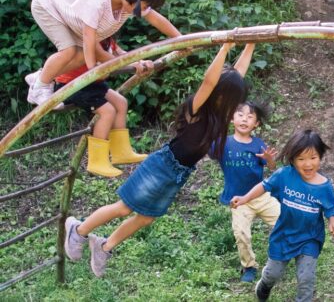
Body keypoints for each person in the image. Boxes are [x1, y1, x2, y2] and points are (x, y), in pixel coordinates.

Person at [64, 43, 254, 277]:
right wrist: (225, 46)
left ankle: (104, 247)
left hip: (179, 173)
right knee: (124, 208)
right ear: (221, 94)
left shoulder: (222, 115)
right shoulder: (197, 109)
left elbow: (238, 74)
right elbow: (209, 82)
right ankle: (78, 230)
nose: (235, 104)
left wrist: (251, 43)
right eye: (232, 97)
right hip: (163, 165)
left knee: (146, 217)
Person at [27, 0, 181, 106]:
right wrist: (94, 70)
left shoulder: (128, 1)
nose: (146, 11)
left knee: (81, 57)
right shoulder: (98, 0)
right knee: (69, 51)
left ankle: (41, 76)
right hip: (48, 4)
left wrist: (181, 39)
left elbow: (157, 19)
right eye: (145, 6)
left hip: (72, 16)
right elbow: (90, 41)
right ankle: (39, 87)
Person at [231, 129, 334, 302]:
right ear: (293, 160)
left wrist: (333, 222)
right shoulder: (285, 175)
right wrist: (245, 198)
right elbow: (264, 186)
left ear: (320, 157)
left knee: (306, 278)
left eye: (313, 158)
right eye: (301, 159)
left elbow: (330, 208)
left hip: (309, 238)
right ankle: (265, 285)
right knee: (273, 273)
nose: (308, 164)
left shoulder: (324, 187)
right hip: (284, 234)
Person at [49, 37, 153, 177]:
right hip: (73, 85)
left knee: (121, 102)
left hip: (92, 83)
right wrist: (134, 64)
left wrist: (139, 62)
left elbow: (121, 54)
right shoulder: (93, 40)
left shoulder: (108, 39)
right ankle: (97, 162)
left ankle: (120, 152)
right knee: (107, 112)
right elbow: (110, 60)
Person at [211, 100, 280, 283]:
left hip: (261, 195)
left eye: (250, 117)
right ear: (232, 119)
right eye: (240, 114)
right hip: (238, 200)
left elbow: (272, 167)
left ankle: (285, 256)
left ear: (256, 124)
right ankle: (249, 266)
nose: (244, 119)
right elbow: (203, 148)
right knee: (241, 233)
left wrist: (269, 159)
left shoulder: (258, 144)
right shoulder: (222, 143)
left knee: (283, 223)